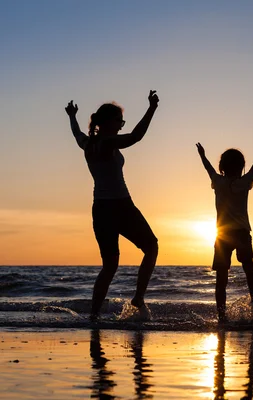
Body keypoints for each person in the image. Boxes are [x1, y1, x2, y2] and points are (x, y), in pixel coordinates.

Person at [66, 91, 160, 319]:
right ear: (109, 122)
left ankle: (94, 316)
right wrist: (152, 108)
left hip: (100, 209)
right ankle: (138, 297)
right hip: (120, 205)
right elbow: (136, 136)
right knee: (151, 246)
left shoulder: (88, 144)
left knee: (109, 266)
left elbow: (77, 135)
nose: (121, 126)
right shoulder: (108, 142)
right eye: (120, 121)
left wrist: (71, 116)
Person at [196, 120, 253, 323]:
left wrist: (203, 156)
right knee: (249, 270)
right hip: (241, 233)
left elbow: (207, 168)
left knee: (221, 279)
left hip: (222, 235)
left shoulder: (218, 181)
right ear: (242, 167)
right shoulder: (244, 182)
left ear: (222, 167)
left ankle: (222, 317)